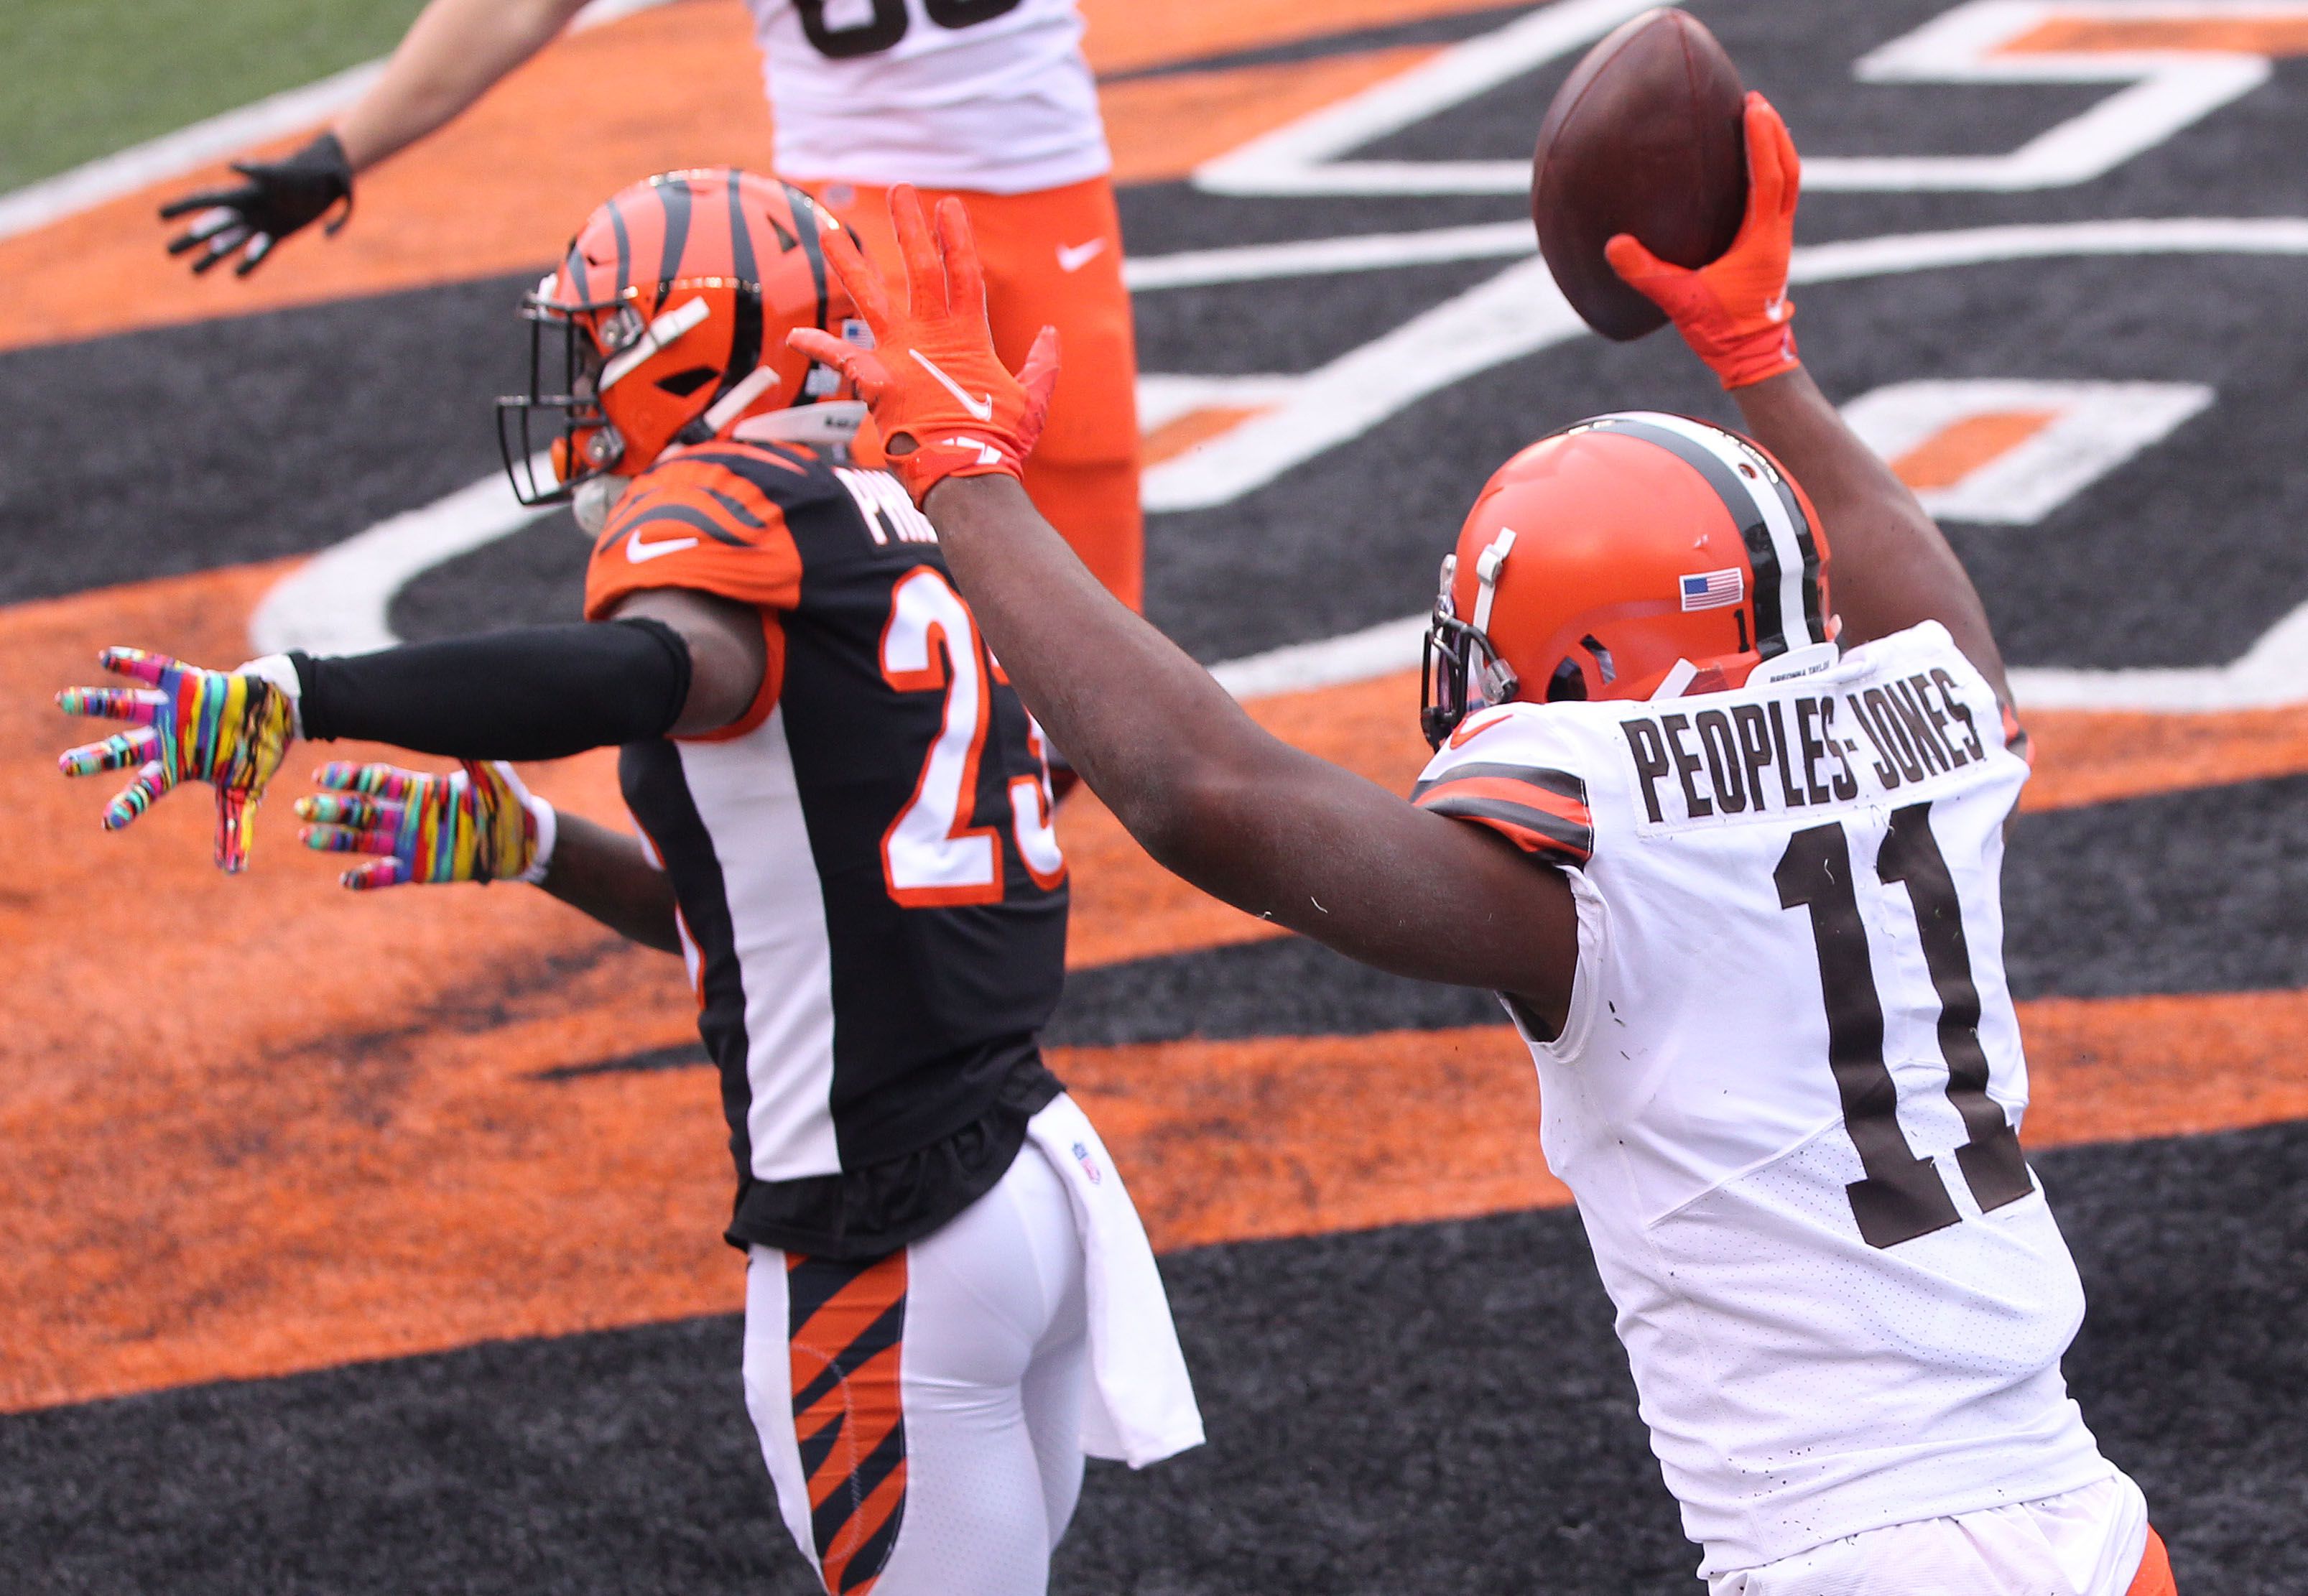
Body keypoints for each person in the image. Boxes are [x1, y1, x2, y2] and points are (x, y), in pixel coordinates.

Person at [777, 96, 2180, 1596]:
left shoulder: (1601, 844)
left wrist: (960, 474)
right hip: (2083, 1515)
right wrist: (1757, 354)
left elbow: (1206, 792)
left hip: (1851, 1553)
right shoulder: (1934, 723)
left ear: (1571, 664)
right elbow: (1914, 596)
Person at [61, 167, 1197, 1596]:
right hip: (1022, 1179)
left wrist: (311, 691)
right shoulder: (908, 509)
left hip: (886, 1233)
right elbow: (810, 911)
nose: (587, 381)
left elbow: (652, 671)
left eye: (605, 341)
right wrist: (538, 847)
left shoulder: (724, 502)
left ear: (699, 342)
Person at [155, 0, 1144, 609]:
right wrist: (342, 149)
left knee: (1090, 600)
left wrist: (340, 153)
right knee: (865, 577)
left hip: (1052, 200)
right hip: (853, 217)